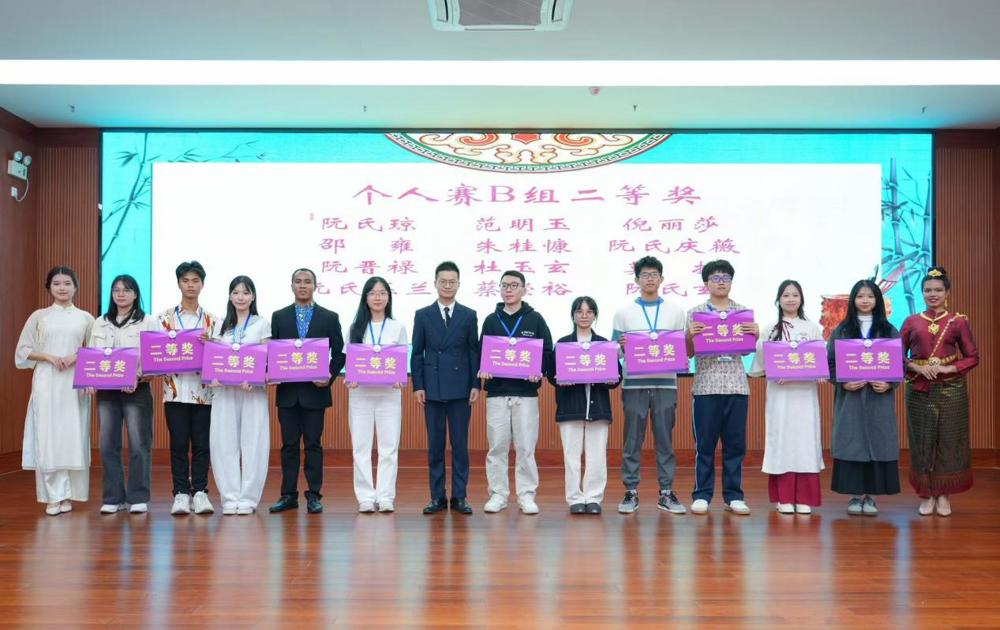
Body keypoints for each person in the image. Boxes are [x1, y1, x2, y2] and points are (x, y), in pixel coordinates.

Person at [16, 266, 95, 515]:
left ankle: (69, 494)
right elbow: (23, 351)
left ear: (75, 287)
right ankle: (52, 496)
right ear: (49, 287)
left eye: (67, 283)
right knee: (48, 435)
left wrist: (75, 356)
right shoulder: (39, 316)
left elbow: (94, 351)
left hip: (75, 383)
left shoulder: (86, 318)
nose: (62, 288)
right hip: (47, 380)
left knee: (73, 435)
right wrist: (49, 357)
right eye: (57, 283)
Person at [611, 256, 687, 515]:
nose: (650, 279)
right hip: (634, 385)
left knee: (665, 440)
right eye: (645, 275)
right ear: (636, 280)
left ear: (662, 279)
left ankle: (666, 492)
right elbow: (613, 354)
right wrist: (620, 348)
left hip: (666, 384)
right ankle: (630, 491)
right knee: (632, 439)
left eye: (654, 274)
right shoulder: (623, 312)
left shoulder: (677, 312)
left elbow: (684, 350)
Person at [901, 266, 979, 517]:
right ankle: (926, 494)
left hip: (950, 388)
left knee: (948, 440)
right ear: (922, 293)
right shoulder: (911, 321)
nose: (932, 294)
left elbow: (972, 357)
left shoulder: (958, 321)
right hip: (919, 388)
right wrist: (915, 367)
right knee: (922, 442)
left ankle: (943, 495)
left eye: (938, 290)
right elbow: (896, 356)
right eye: (927, 290)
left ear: (947, 292)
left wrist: (948, 370)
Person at [685, 259, 759, 515]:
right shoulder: (695, 313)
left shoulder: (743, 312)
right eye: (715, 278)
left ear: (731, 281)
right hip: (706, 386)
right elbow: (688, 353)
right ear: (706, 283)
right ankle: (702, 494)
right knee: (704, 445)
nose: (720, 282)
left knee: (735, 445)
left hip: (736, 385)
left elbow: (749, 349)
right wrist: (688, 336)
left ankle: (733, 496)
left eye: (725, 277)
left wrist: (755, 335)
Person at [269, 268, 346, 514]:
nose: (302, 285)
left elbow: (340, 353)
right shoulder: (279, 316)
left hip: (316, 393)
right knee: (289, 445)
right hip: (288, 394)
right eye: (298, 281)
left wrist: (329, 377)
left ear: (315, 286)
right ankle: (288, 495)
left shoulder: (329, 317)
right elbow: (274, 352)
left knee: (313, 445)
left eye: (307, 282)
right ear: (291, 285)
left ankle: (314, 495)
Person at [479, 270, 554, 515]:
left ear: (524, 289)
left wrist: (539, 371)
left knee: (525, 448)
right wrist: (485, 369)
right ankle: (498, 494)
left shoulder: (536, 319)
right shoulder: (491, 320)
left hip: (526, 394)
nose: (509, 289)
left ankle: (527, 495)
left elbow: (547, 353)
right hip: (498, 393)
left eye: (514, 285)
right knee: (497, 447)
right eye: (504, 285)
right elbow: (483, 353)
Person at [749, 280, 824, 515]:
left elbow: (819, 361)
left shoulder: (812, 328)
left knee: (805, 441)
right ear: (778, 300)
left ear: (801, 299)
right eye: (786, 295)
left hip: (805, 395)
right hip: (781, 395)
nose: (791, 299)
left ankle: (804, 497)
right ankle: (784, 497)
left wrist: (817, 372)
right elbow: (761, 366)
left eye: (795, 295)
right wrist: (775, 369)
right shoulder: (770, 328)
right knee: (782, 440)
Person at [827, 279, 901, 516]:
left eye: (870, 296)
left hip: (878, 399)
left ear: (878, 300)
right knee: (852, 443)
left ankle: (870, 497)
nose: (865, 300)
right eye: (860, 296)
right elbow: (828, 363)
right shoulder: (842, 330)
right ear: (853, 300)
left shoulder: (888, 330)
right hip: (851, 400)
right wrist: (843, 381)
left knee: (878, 444)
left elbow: (899, 363)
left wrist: (889, 383)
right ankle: (854, 496)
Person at [411, 261, 479, 515]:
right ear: (435, 283)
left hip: (461, 389)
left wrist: (475, 384)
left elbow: (474, 351)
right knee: (435, 446)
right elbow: (417, 353)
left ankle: (460, 497)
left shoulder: (469, 315)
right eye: (443, 281)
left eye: (452, 281)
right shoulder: (423, 314)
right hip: (432, 389)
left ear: (459, 284)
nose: (447, 285)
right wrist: (418, 385)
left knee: (460, 446)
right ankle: (437, 497)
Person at [87, 274, 158, 515]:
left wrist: (136, 377)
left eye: (126, 290)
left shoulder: (148, 322)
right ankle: (113, 497)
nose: (121, 294)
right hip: (107, 392)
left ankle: (138, 496)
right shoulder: (100, 322)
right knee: (108, 444)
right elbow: (92, 358)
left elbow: (155, 360)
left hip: (137, 390)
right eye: (116, 289)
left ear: (136, 294)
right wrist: (89, 380)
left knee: (139, 444)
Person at [156, 261, 219, 516]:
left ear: (202, 284)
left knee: (202, 443)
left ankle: (201, 491)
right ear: (179, 283)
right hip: (175, 391)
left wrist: (210, 344)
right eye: (186, 280)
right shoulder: (163, 319)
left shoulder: (214, 321)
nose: (190, 285)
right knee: (179, 443)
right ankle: (181, 492)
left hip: (204, 392)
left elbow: (221, 358)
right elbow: (155, 354)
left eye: (195, 281)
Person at [550, 296, 621, 514]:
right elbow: (553, 376)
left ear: (595, 316)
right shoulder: (563, 344)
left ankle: (593, 498)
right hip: (571, 407)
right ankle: (574, 499)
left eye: (589, 312)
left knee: (597, 455)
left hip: (598, 407)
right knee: (571, 456)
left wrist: (612, 378)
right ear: (573, 315)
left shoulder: (604, 345)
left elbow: (616, 376)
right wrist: (560, 378)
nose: (584, 316)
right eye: (579, 312)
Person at [345, 277, 409, 513]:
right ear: (365, 298)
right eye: (373, 293)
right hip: (360, 395)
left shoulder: (398, 327)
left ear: (388, 298)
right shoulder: (355, 328)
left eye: (383, 293)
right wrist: (350, 378)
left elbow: (402, 363)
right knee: (360, 447)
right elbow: (349, 361)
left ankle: (385, 496)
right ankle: (365, 496)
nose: (378, 297)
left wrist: (400, 379)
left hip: (388, 396)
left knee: (388, 447)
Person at [208, 276, 271, 515]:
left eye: (246, 293)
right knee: (223, 442)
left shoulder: (261, 324)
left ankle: (248, 498)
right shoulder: (220, 325)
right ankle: (229, 496)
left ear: (253, 296)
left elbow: (267, 359)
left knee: (254, 442)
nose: (241, 297)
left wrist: (256, 377)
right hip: (224, 392)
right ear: (229, 296)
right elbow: (213, 359)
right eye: (236, 292)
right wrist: (212, 376)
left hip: (252, 391)